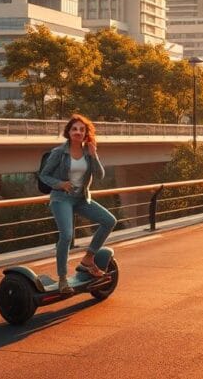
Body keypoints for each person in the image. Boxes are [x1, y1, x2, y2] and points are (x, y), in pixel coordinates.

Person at [39, 114, 117, 295]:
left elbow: (100, 176)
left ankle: (88, 260)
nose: (78, 132)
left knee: (109, 221)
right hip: (61, 198)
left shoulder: (88, 153)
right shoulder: (59, 152)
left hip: (81, 198)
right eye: (74, 129)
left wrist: (94, 154)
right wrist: (60, 184)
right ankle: (63, 279)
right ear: (68, 132)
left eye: (82, 129)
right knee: (66, 236)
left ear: (86, 133)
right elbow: (44, 175)